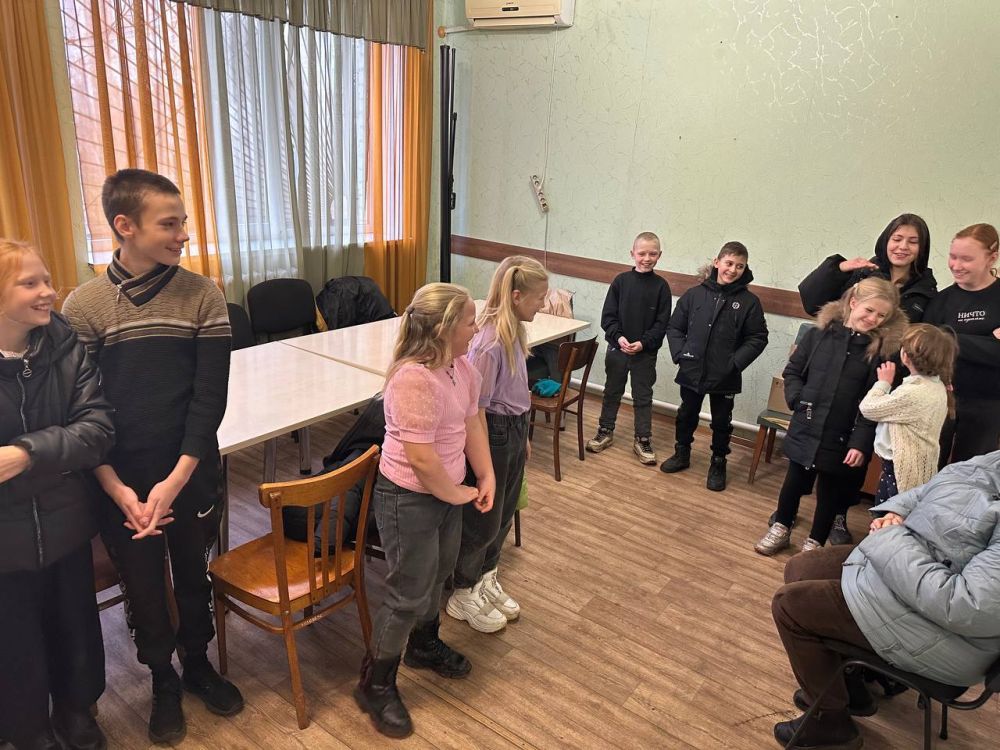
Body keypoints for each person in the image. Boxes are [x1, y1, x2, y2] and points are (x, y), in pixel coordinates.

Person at [61, 169, 240, 745]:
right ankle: (162, 678)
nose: (183, 234)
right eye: (170, 223)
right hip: (121, 482)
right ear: (125, 226)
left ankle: (198, 664)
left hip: (189, 471)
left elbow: (209, 398)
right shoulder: (84, 306)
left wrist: (177, 478)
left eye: (183, 222)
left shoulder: (203, 295)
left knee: (192, 573)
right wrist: (117, 488)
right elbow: (81, 411)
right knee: (142, 587)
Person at [769, 450, 1000, 750]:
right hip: (914, 565)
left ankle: (830, 723)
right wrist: (895, 512)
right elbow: (932, 488)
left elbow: (965, 606)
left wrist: (892, 537)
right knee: (800, 569)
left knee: (790, 607)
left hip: (946, 635)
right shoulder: (993, 460)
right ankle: (849, 683)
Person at [355, 283, 495, 739]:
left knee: (438, 573)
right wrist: (456, 493)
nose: (477, 327)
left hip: (445, 491)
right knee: (407, 593)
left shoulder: (461, 367)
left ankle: (423, 644)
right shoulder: (414, 378)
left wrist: (485, 475)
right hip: (409, 497)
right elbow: (420, 459)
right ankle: (375, 684)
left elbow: (471, 422)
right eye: (470, 321)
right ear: (444, 329)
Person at [0, 240, 115, 750]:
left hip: (65, 523)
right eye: (30, 283)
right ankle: (28, 729)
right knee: (14, 643)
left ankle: (76, 710)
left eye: (46, 279)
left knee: (76, 629)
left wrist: (24, 454)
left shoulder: (65, 343)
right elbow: (75, 437)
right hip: (4, 542)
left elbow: (97, 429)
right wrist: (57, 450)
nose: (49, 291)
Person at [755, 278, 905, 556]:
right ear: (853, 303)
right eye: (869, 310)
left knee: (829, 493)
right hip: (806, 424)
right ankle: (781, 527)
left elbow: (874, 404)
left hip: (843, 436)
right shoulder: (818, 336)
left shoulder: (882, 354)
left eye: (881, 315)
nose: (873, 319)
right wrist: (798, 400)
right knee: (793, 483)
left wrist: (860, 443)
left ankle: (815, 543)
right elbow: (793, 372)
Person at [448, 256, 548, 633]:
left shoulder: (514, 333)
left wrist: (525, 438)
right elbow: (475, 410)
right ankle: (464, 589)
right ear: (517, 296)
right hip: (493, 431)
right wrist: (486, 463)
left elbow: (518, 391)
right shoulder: (488, 344)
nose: (543, 304)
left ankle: (486, 575)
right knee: (484, 519)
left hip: (514, 428)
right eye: (539, 298)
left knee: (504, 513)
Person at [661, 241, 769, 490]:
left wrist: (735, 363)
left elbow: (758, 337)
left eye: (739, 266)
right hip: (691, 368)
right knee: (686, 414)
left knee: (721, 421)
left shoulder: (749, 302)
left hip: (725, 375)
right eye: (729, 263)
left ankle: (718, 462)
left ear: (745, 268)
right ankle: (682, 453)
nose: (733, 270)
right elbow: (674, 327)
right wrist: (681, 354)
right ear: (717, 262)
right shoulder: (694, 295)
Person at [587, 232, 672, 465]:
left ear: (659, 255)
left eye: (652, 254)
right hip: (618, 350)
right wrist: (619, 338)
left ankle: (643, 439)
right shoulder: (621, 281)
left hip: (645, 353)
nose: (647, 258)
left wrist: (643, 343)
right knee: (612, 391)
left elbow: (662, 324)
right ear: (632, 254)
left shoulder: (662, 287)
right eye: (642, 253)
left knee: (643, 396)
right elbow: (608, 317)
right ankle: (605, 430)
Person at [923, 223, 1000, 464]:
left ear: (992, 258)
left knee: (970, 475)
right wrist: (987, 342)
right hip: (941, 399)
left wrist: (946, 336)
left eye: (966, 259)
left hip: (988, 404)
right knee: (928, 471)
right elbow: (925, 349)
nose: (956, 265)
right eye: (953, 256)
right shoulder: (941, 301)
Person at [858, 323, 956, 503]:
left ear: (905, 356)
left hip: (902, 471)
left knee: (889, 513)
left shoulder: (915, 392)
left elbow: (868, 408)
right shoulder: (936, 385)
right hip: (906, 467)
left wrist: (883, 383)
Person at [798, 213, 937, 323]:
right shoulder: (863, 274)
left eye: (913, 242)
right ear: (885, 241)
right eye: (897, 239)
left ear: (922, 248)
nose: (903, 246)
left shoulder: (926, 290)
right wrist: (838, 268)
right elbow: (812, 305)